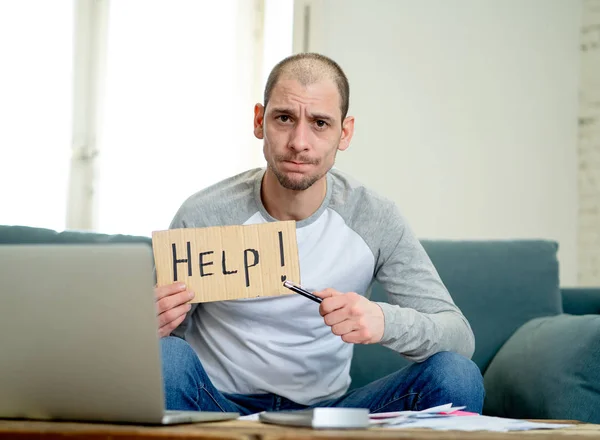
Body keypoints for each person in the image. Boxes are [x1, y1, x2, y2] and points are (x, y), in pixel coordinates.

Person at [154, 53, 484, 415]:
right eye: (284, 118)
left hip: (328, 414)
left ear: (345, 133)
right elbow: (168, 345)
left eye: (320, 123)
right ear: (259, 121)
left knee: (456, 374)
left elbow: (458, 336)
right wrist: (147, 325)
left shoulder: (374, 217)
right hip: (218, 407)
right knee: (165, 355)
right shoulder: (205, 213)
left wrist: (383, 321)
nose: (299, 141)